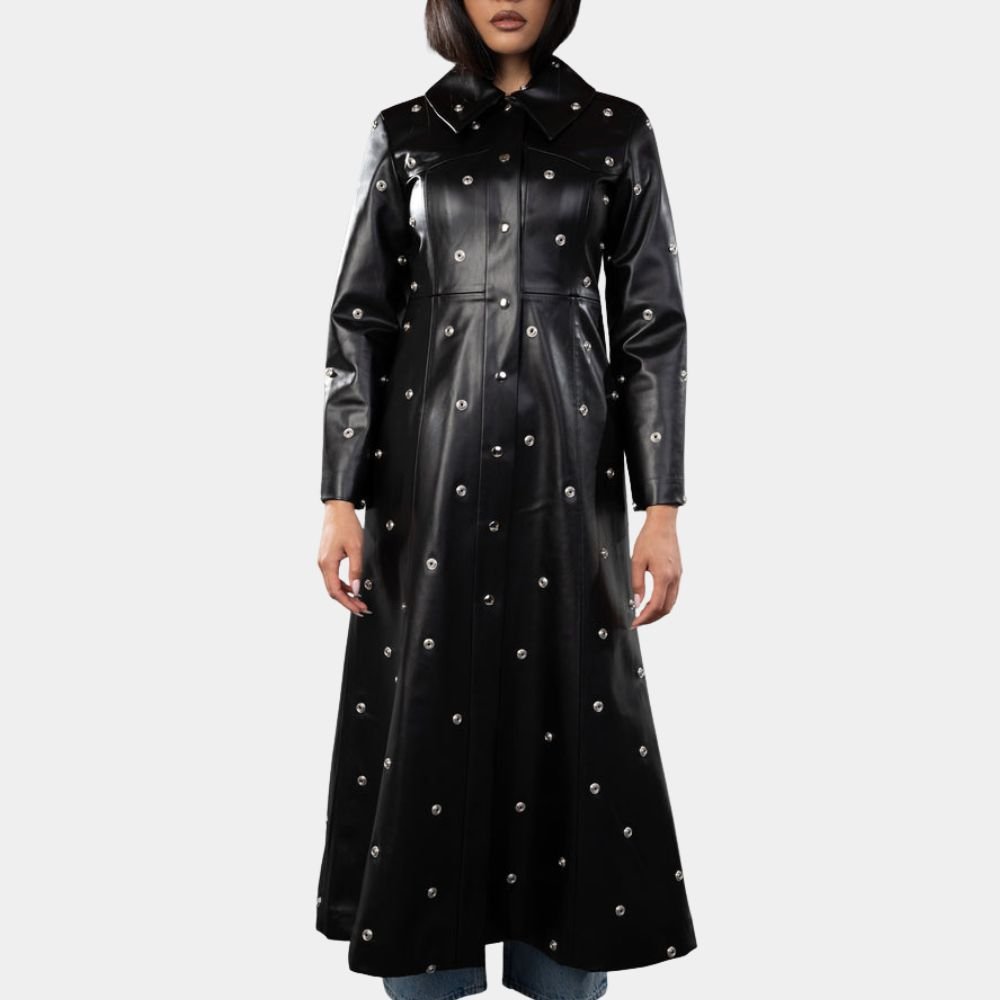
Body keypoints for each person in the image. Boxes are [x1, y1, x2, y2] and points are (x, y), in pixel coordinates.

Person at [315, 1, 696, 997]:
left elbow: (651, 323)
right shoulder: (407, 134)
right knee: (426, 697)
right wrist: (339, 496)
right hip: (424, 480)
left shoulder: (615, 132)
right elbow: (360, 319)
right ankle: (428, 971)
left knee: (570, 701)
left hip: (570, 476)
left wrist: (659, 508)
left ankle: (559, 970)